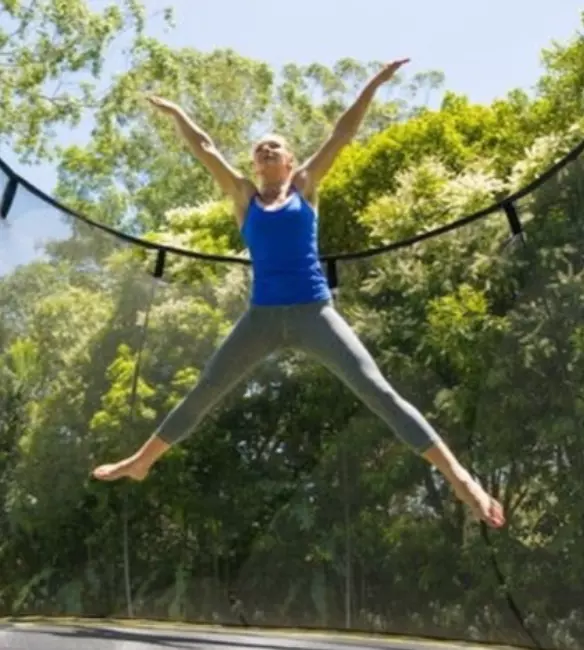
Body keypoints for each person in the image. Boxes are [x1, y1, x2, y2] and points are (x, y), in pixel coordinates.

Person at [92, 59, 505, 529]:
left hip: (314, 312)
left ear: (290, 162)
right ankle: (142, 461)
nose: (267, 150)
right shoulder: (244, 196)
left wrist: (374, 85)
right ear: (255, 164)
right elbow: (205, 147)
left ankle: (461, 480)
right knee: (207, 388)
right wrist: (175, 112)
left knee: (378, 391)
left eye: (276, 147)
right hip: (262, 318)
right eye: (260, 147)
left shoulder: (305, 189)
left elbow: (341, 135)